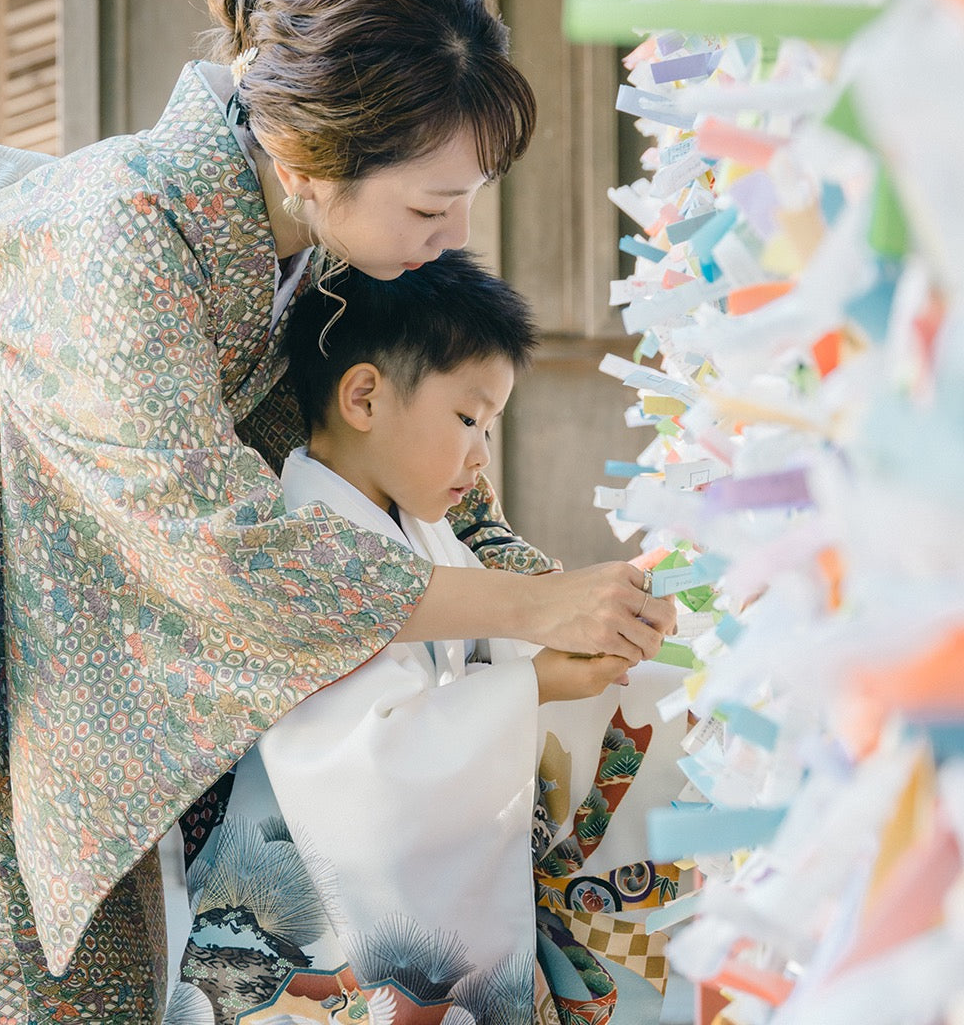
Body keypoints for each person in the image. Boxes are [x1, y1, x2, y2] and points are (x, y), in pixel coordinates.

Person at [0, 0, 675, 1019]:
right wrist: (533, 609)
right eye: (433, 206)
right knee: (8, 993)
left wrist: (586, 612)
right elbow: (228, 555)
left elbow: (435, 490)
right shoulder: (112, 234)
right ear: (306, 154)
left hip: (69, 622)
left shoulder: (324, 239)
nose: (457, 237)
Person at [167, 250, 685, 1023]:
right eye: (469, 419)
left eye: (491, 426)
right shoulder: (304, 548)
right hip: (316, 933)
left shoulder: (423, 534)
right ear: (365, 397)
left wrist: (589, 653)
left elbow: (491, 660)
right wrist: (535, 683)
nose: (481, 455)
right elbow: (368, 778)